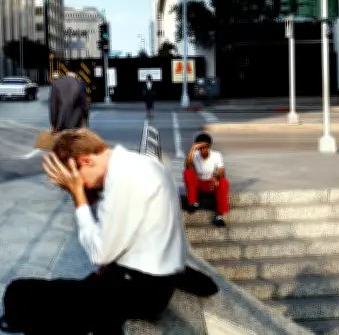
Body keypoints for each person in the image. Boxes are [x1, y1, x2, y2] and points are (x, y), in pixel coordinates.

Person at [40, 128, 187, 333]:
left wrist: (78, 196)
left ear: (85, 162)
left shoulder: (122, 178)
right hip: (148, 276)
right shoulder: (134, 162)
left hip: (147, 291)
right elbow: (114, 234)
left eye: (77, 179)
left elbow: (99, 253)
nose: (79, 185)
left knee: (26, 293)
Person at [183, 132, 229, 227]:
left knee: (224, 182)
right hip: (198, 184)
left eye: (206, 147)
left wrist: (216, 177)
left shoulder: (216, 155)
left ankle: (219, 216)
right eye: (201, 148)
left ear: (209, 146)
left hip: (210, 184)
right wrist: (192, 149)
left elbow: (221, 171)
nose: (204, 150)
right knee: (187, 172)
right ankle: (193, 203)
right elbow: (187, 166)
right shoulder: (194, 154)